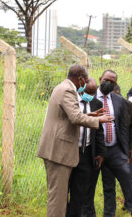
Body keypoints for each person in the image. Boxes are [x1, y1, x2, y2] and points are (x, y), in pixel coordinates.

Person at [37, 65, 112, 217]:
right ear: (80, 79)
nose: (84, 85)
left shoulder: (62, 87)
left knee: (61, 196)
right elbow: (75, 117)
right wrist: (99, 120)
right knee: (58, 198)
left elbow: (67, 115)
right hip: (58, 151)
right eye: (84, 81)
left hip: (59, 150)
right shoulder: (67, 90)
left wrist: (91, 114)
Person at [82, 70, 132, 217]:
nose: (109, 83)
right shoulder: (89, 98)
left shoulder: (119, 100)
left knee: (128, 182)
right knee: (89, 187)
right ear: (100, 79)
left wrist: (128, 149)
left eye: (113, 81)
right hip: (95, 151)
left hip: (115, 150)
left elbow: (123, 127)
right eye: (106, 79)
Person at [66, 78, 106, 217]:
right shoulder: (72, 103)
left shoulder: (96, 103)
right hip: (70, 151)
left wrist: (100, 153)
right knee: (65, 188)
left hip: (87, 152)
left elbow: (99, 130)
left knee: (81, 190)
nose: (89, 95)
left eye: (93, 93)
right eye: (87, 92)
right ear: (81, 90)